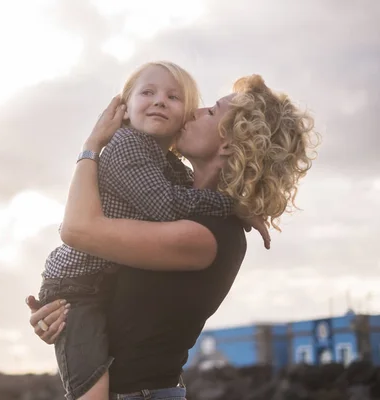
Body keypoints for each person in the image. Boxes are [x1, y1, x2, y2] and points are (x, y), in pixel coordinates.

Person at [28, 74, 318, 399]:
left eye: (211, 111)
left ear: (228, 144)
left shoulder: (207, 234)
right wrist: (62, 315)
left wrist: (92, 146)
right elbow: (111, 297)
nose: (194, 111)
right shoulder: (183, 207)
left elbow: (76, 230)